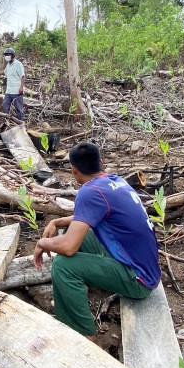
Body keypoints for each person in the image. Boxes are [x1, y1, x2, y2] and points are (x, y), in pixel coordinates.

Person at [33, 142, 161, 338]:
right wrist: (57, 221)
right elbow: (87, 217)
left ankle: (83, 334)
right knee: (76, 230)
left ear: (73, 170)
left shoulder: (89, 192)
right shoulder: (116, 181)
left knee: (62, 264)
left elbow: (67, 247)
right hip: (144, 266)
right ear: (101, 162)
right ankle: (74, 294)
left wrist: (42, 243)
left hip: (138, 279)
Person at [0, 47, 25, 121]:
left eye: (8, 54)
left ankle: (20, 123)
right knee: (5, 105)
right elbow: (4, 71)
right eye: (6, 55)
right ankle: (6, 121)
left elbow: (23, 76)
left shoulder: (18, 64)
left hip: (16, 91)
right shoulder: (8, 64)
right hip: (9, 91)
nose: (7, 56)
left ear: (13, 55)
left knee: (18, 108)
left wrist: (21, 87)